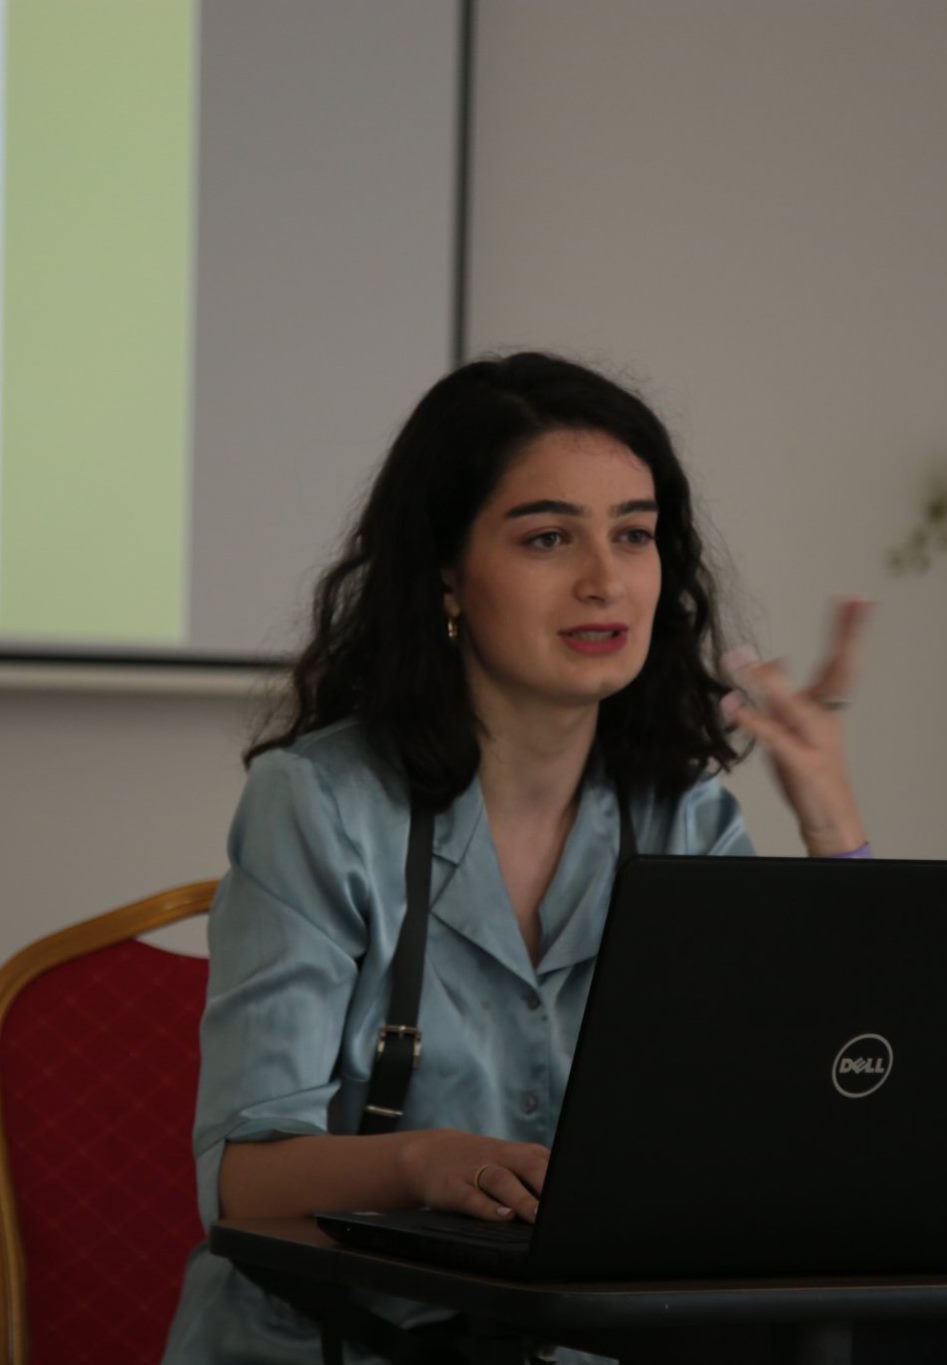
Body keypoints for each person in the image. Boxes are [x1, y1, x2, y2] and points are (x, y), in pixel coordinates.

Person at [161, 352, 870, 1364]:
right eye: (548, 537)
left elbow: (823, 1122)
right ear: (445, 572)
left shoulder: (683, 817)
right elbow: (242, 1180)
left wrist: (832, 826)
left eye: (633, 534)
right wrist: (423, 1161)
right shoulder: (319, 804)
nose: (604, 579)